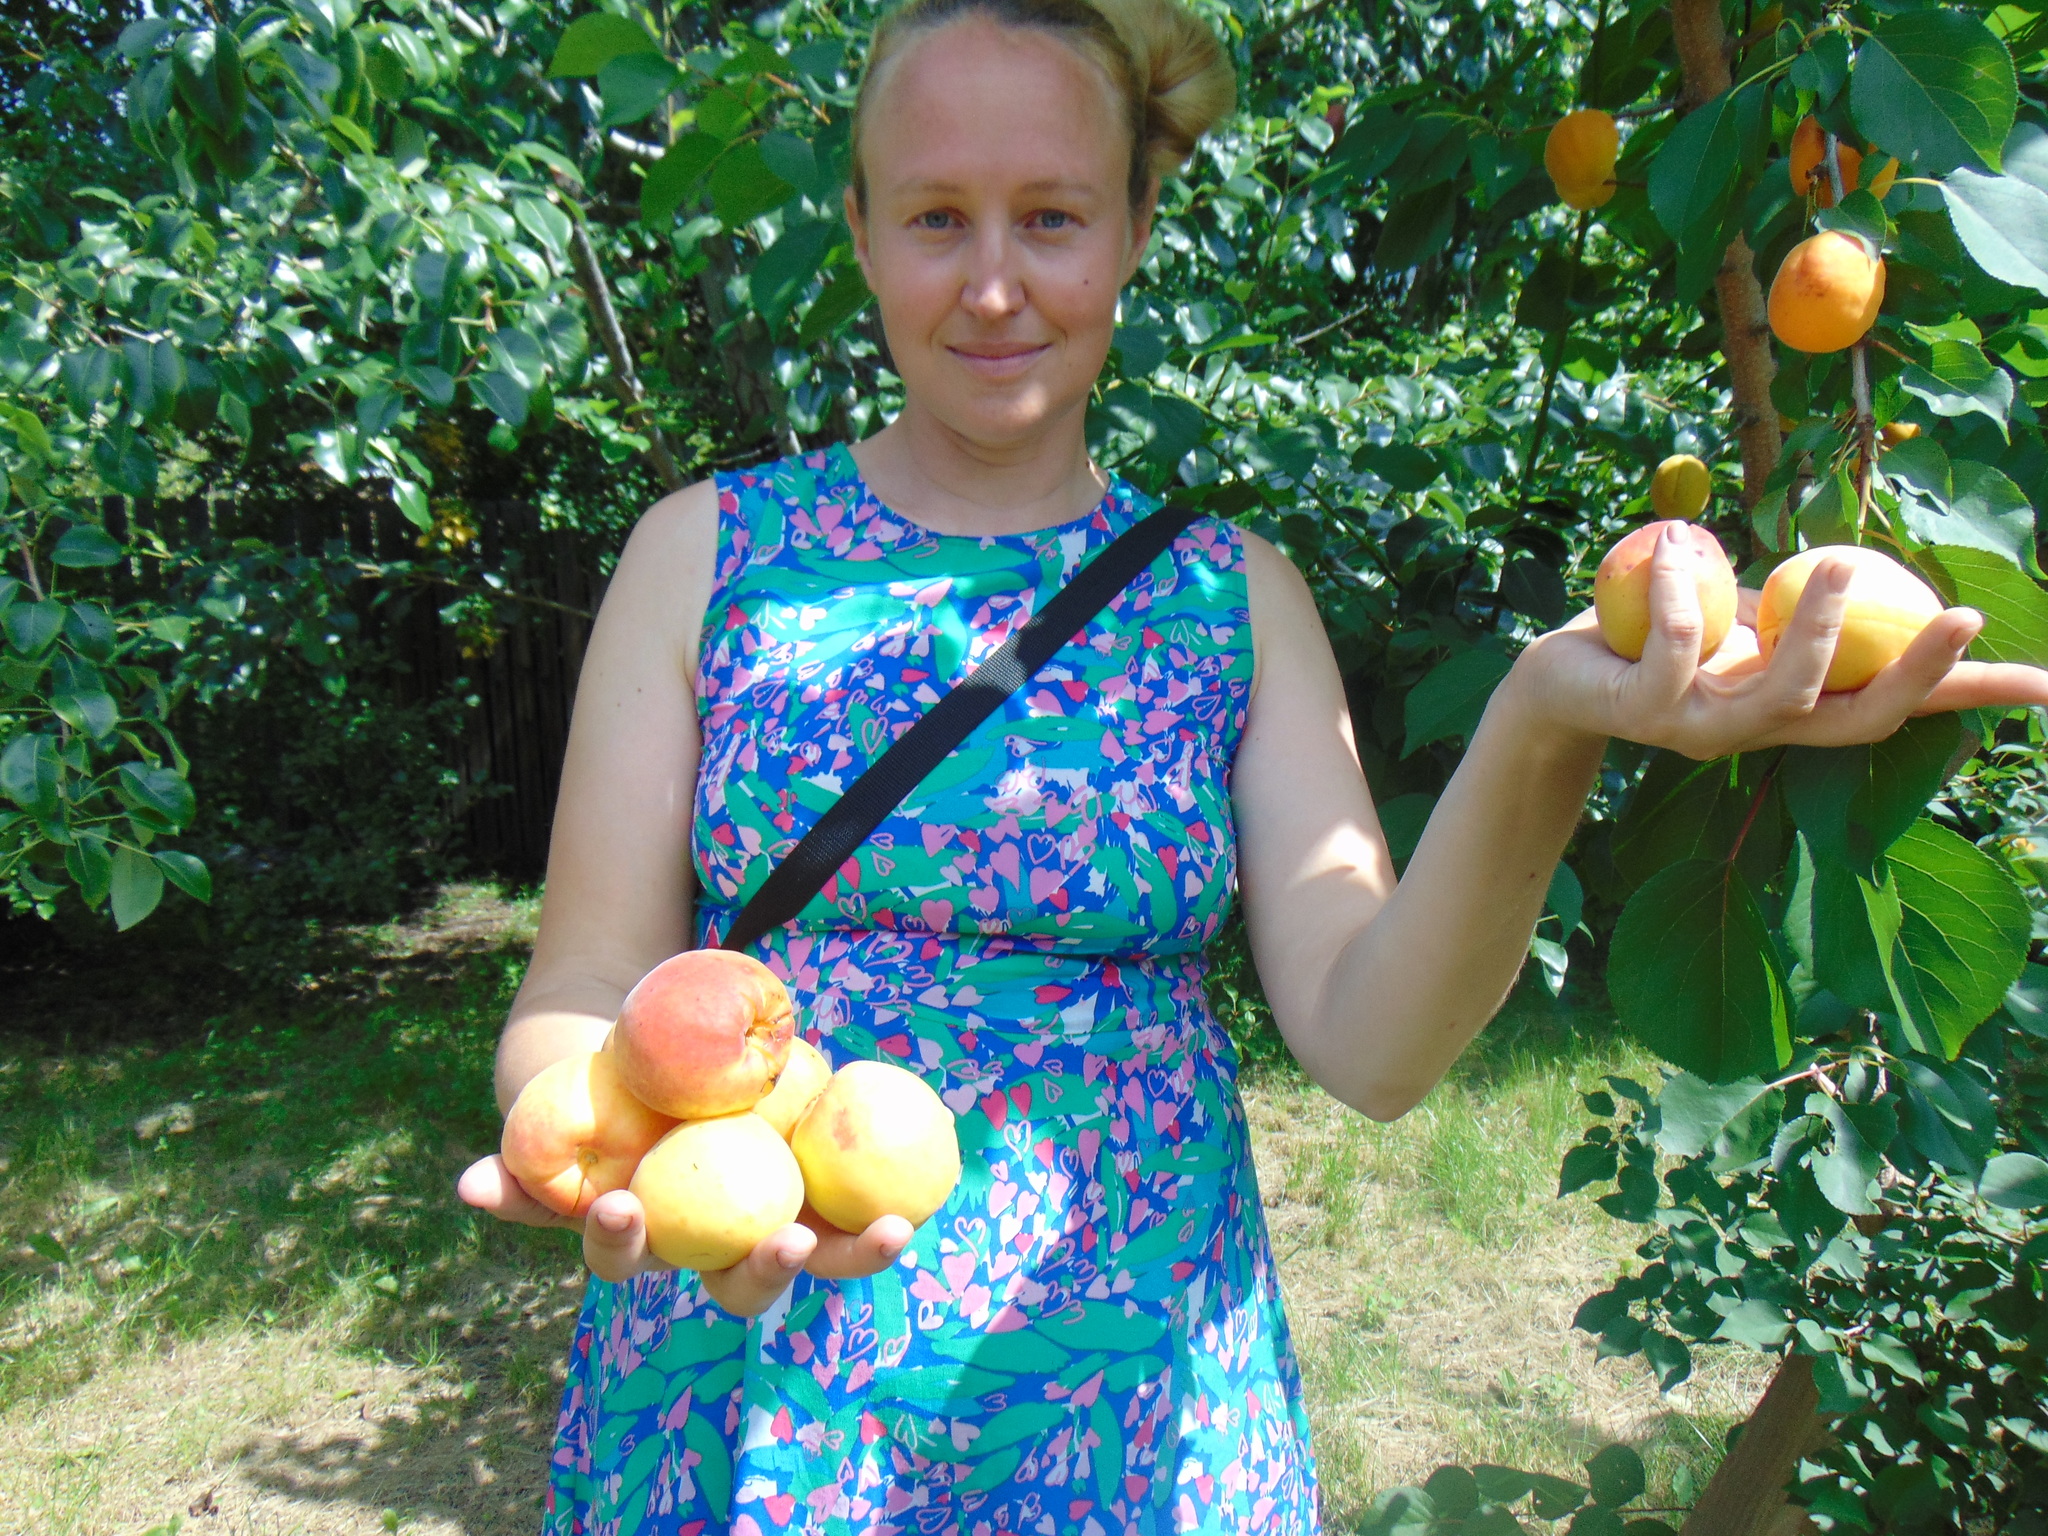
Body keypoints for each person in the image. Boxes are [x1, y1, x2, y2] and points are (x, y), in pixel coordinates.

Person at [456, 0, 2048, 1526]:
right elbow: (585, 979)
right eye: (937, 218)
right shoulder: (706, 556)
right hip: (741, 1351)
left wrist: (1547, 716)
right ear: (862, 231)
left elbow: (1374, 1042)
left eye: (1053, 218)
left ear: (1135, 227)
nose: (994, 284)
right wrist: (580, 1140)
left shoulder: (1233, 599)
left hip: (1129, 1403)